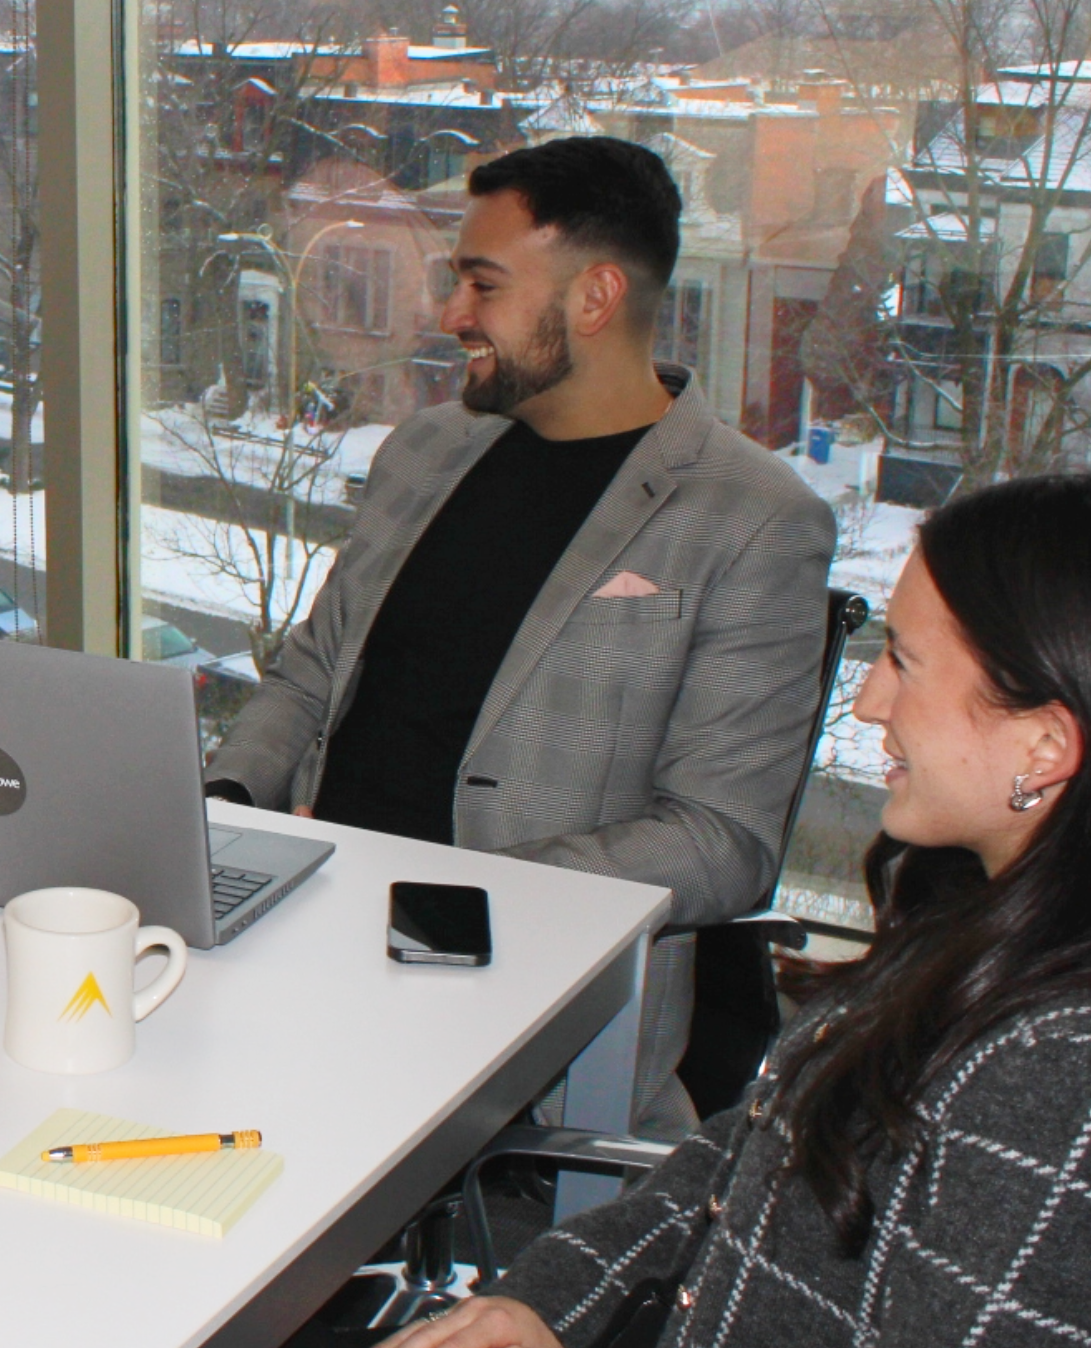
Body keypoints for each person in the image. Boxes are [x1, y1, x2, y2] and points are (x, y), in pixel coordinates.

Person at [392, 474, 1091, 1348]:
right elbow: (755, 1159)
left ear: (1045, 745)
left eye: (904, 662)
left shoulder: (1084, 1068)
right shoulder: (976, 920)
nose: (867, 702)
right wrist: (545, 1303)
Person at [205, 136, 834, 1135]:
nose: (451, 315)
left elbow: (723, 843)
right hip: (304, 953)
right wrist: (226, 809)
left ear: (595, 297)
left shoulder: (754, 518)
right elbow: (311, 675)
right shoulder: (426, 450)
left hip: (526, 1023)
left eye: (483, 285)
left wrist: (452, 897)